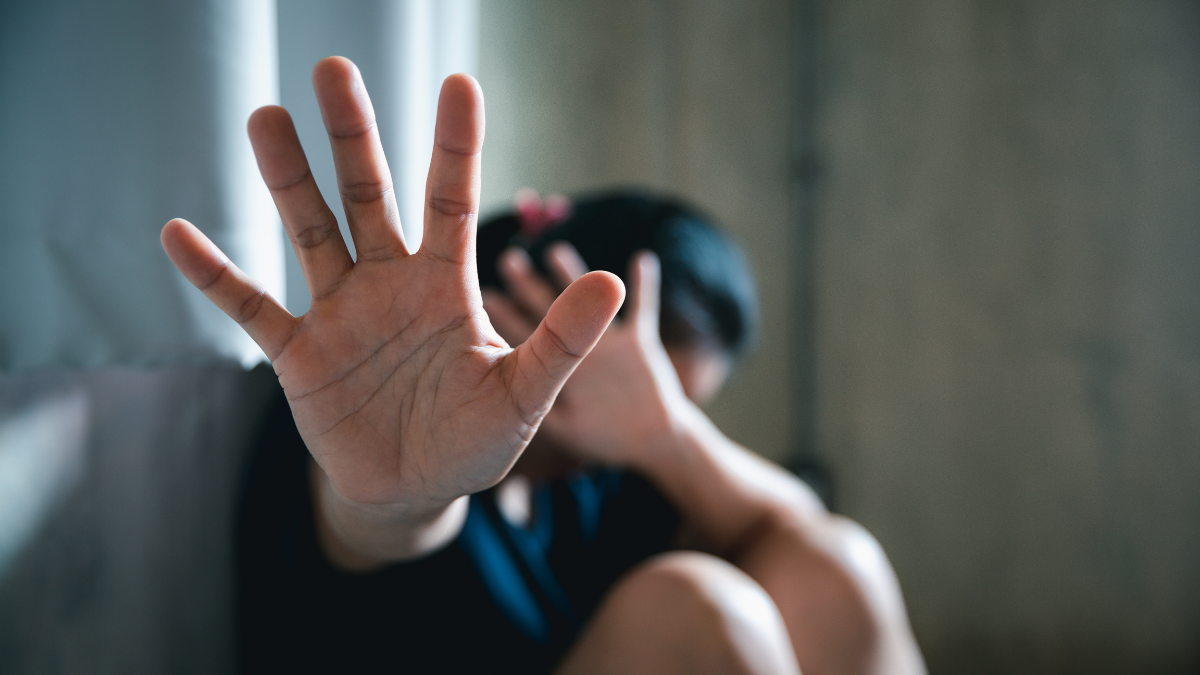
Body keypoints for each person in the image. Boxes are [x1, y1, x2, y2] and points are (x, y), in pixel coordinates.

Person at [161, 56, 926, 675]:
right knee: (694, 611)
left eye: (671, 404)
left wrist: (671, 439)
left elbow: (811, 543)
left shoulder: (609, 467)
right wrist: (396, 499)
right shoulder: (369, 400)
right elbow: (373, 521)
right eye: (645, 387)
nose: (642, 419)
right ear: (550, 296)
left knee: (840, 565)